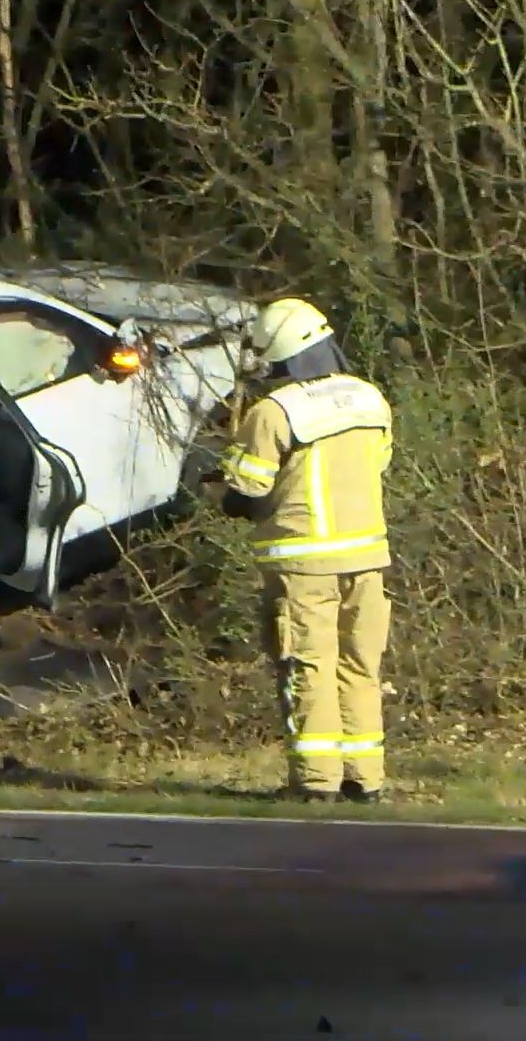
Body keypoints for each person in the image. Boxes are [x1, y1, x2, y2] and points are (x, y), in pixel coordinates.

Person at [216, 297, 395, 804]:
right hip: (367, 559)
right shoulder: (371, 399)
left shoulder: (274, 412)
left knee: (308, 665)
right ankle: (366, 779)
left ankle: (317, 784)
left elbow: (246, 494)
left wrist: (221, 479)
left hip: (304, 564)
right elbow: (377, 465)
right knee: (361, 667)